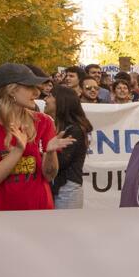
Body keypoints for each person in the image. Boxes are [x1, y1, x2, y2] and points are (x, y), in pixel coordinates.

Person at [0, 64, 72, 212]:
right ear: (11, 90)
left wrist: (50, 153)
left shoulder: (44, 122)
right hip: (1, 215)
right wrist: (18, 150)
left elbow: (49, 176)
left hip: (40, 210)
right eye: (30, 87)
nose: (37, 92)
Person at [49, 79, 94, 210]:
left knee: (65, 229)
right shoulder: (60, 127)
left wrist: (44, 152)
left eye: (50, 96)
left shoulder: (74, 130)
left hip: (67, 191)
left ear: (60, 101)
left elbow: (61, 162)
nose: (45, 99)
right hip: (59, 188)